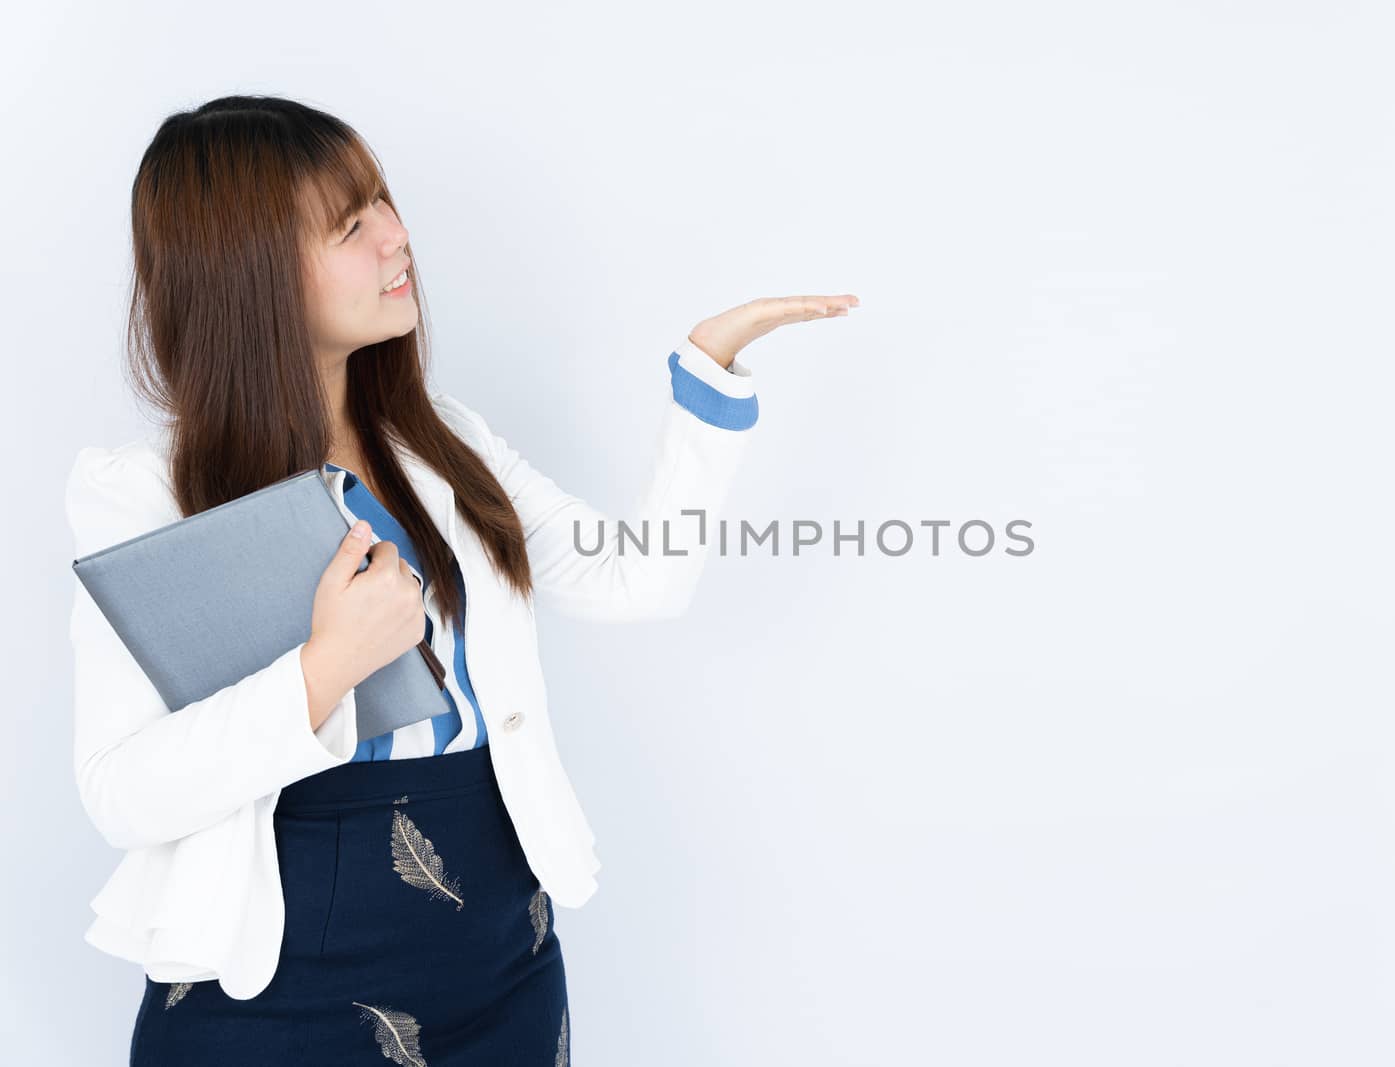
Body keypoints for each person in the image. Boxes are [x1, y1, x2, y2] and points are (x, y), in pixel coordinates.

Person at [62, 93, 858, 1065]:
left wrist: (709, 375)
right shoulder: (146, 491)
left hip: (498, 932)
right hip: (275, 963)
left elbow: (637, 580)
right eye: (354, 225)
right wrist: (327, 667)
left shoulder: (444, 442)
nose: (399, 238)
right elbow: (121, 791)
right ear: (250, 272)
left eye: (386, 203)